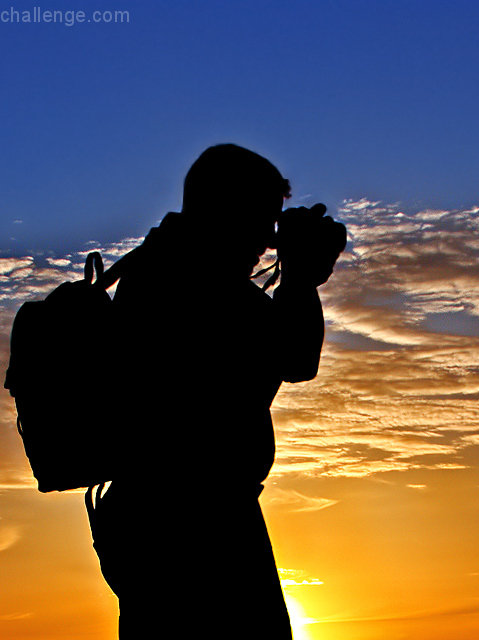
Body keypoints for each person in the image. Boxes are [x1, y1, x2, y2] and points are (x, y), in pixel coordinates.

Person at [86, 144, 346, 638]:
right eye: (262, 221)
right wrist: (301, 280)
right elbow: (295, 358)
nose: (266, 242)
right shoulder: (190, 278)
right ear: (228, 209)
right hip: (199, 526)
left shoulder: (160, 267)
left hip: (157, 522)